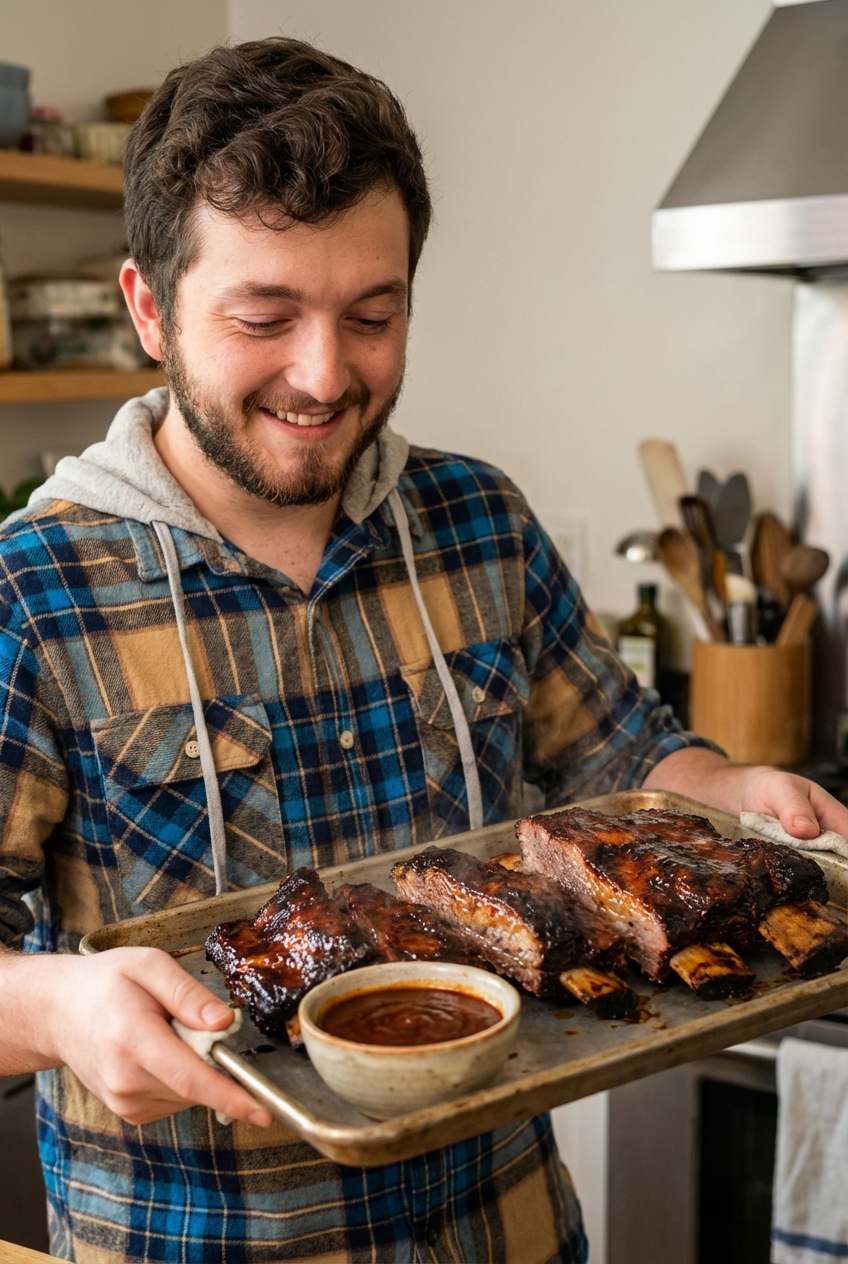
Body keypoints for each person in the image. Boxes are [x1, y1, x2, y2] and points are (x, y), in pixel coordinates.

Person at [0, 37, 844, 1264]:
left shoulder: (475, 522)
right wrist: (51, 1008)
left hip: (507, 1228)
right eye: (264, 316)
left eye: (373, 314)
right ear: (148, 308)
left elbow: (628, 751)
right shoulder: (35, 588)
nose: (324, 373)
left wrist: (727, 792)